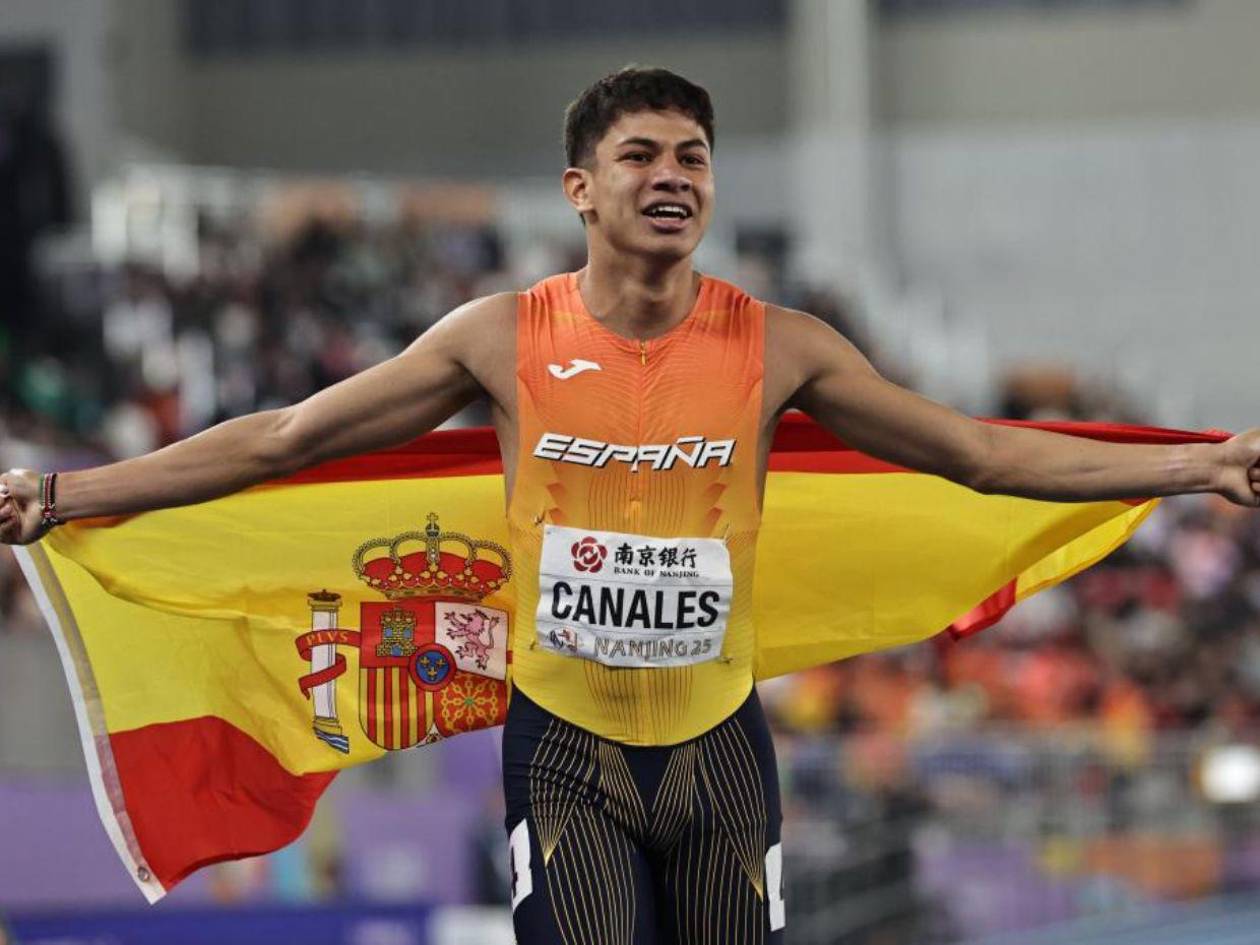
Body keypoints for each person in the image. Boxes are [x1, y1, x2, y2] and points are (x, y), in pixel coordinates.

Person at [2, 67, 1259, 944]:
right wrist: (64, 492)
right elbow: (287, 438)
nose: (672, 176)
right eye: (641, 157)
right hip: (568, 753)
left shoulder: (783, 346)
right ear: (580, 190)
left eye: (693, 158)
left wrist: (1200, 467)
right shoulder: (501, 338)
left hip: (721, 755)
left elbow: (977, 455)